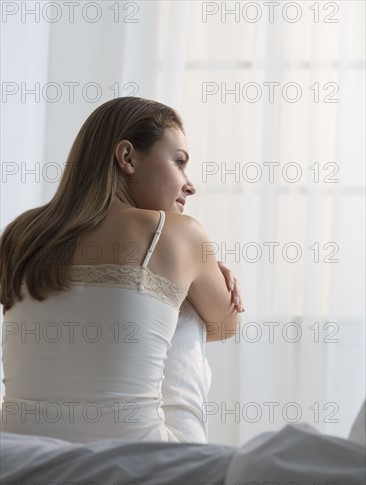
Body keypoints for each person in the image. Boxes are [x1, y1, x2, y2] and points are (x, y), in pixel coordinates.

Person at [0, 97, 243, 443]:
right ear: (127, 157)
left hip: (18, 451)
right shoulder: (176, 231)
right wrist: (203, 271)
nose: (190, 185)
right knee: (189, 311)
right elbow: (224, 324)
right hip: (140, 458)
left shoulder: (20, 234)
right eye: (179, 162)